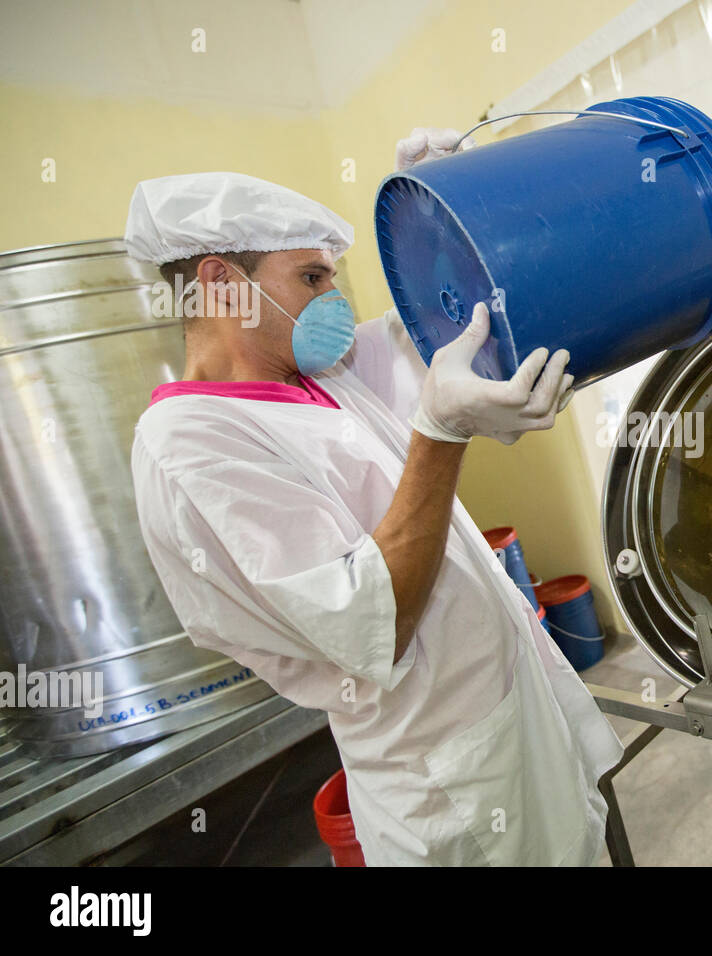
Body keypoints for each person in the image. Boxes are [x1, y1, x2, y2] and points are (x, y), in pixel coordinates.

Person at [127, 127, 624, 866]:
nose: (334, 299)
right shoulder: (193, 442)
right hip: (448, 773)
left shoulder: (319, 378)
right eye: (313, 279)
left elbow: (435, 332)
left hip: (510, 710)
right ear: (222, 282)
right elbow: (371, 620)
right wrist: (441, 430)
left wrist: (443, 222)